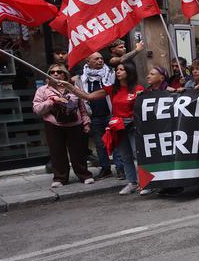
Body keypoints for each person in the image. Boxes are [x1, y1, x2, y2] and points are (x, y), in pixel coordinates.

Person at [61, 61, 145, 195]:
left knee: (139, 155)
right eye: (117, 69)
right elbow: (88, 96)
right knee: (125, 156)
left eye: (121, 69)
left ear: (129, 72)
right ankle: (132, 183)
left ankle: (146, 183)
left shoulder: (139, 89)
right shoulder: (113, 89)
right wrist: (70, 86)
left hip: (134, 127)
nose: (118, 72)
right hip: (118, 127)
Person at [35, 65, 93, 188]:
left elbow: (82, 108)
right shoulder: (42, 90)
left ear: (64, 75)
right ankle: (60, 178)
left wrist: (86, 122)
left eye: (59, 72)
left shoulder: (73, 89)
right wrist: (51, 101)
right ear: (48, 75)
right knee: (57, 152)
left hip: (75, 124)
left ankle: (84, 175)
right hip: (53, 125)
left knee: (78, 152)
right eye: (52, 72)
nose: (55, 74)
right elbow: (37, 109)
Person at [77, 51, 116, 180]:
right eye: (96, 59)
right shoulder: (81, 78)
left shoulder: (110, 74)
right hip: (94, 116)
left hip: (110, 114)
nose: (100, 60)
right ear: (88, 62)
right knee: (100, 145)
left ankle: (121, 168)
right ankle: (106, 169)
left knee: (116, 143)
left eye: (101, 58)